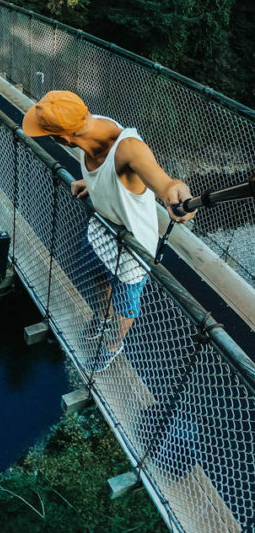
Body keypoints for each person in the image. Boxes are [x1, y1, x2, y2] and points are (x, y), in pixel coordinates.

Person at [22, 90, 195, 371]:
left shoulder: (127, 148)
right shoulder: (92, 125)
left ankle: (114, 345)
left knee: (127, 306)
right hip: (101, 229)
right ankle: (103, 317)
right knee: (96, 273)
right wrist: (92, 183)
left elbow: (163, 182)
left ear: (63, 139)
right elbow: (109, 172)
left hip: (131, 248)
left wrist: (176, 193)